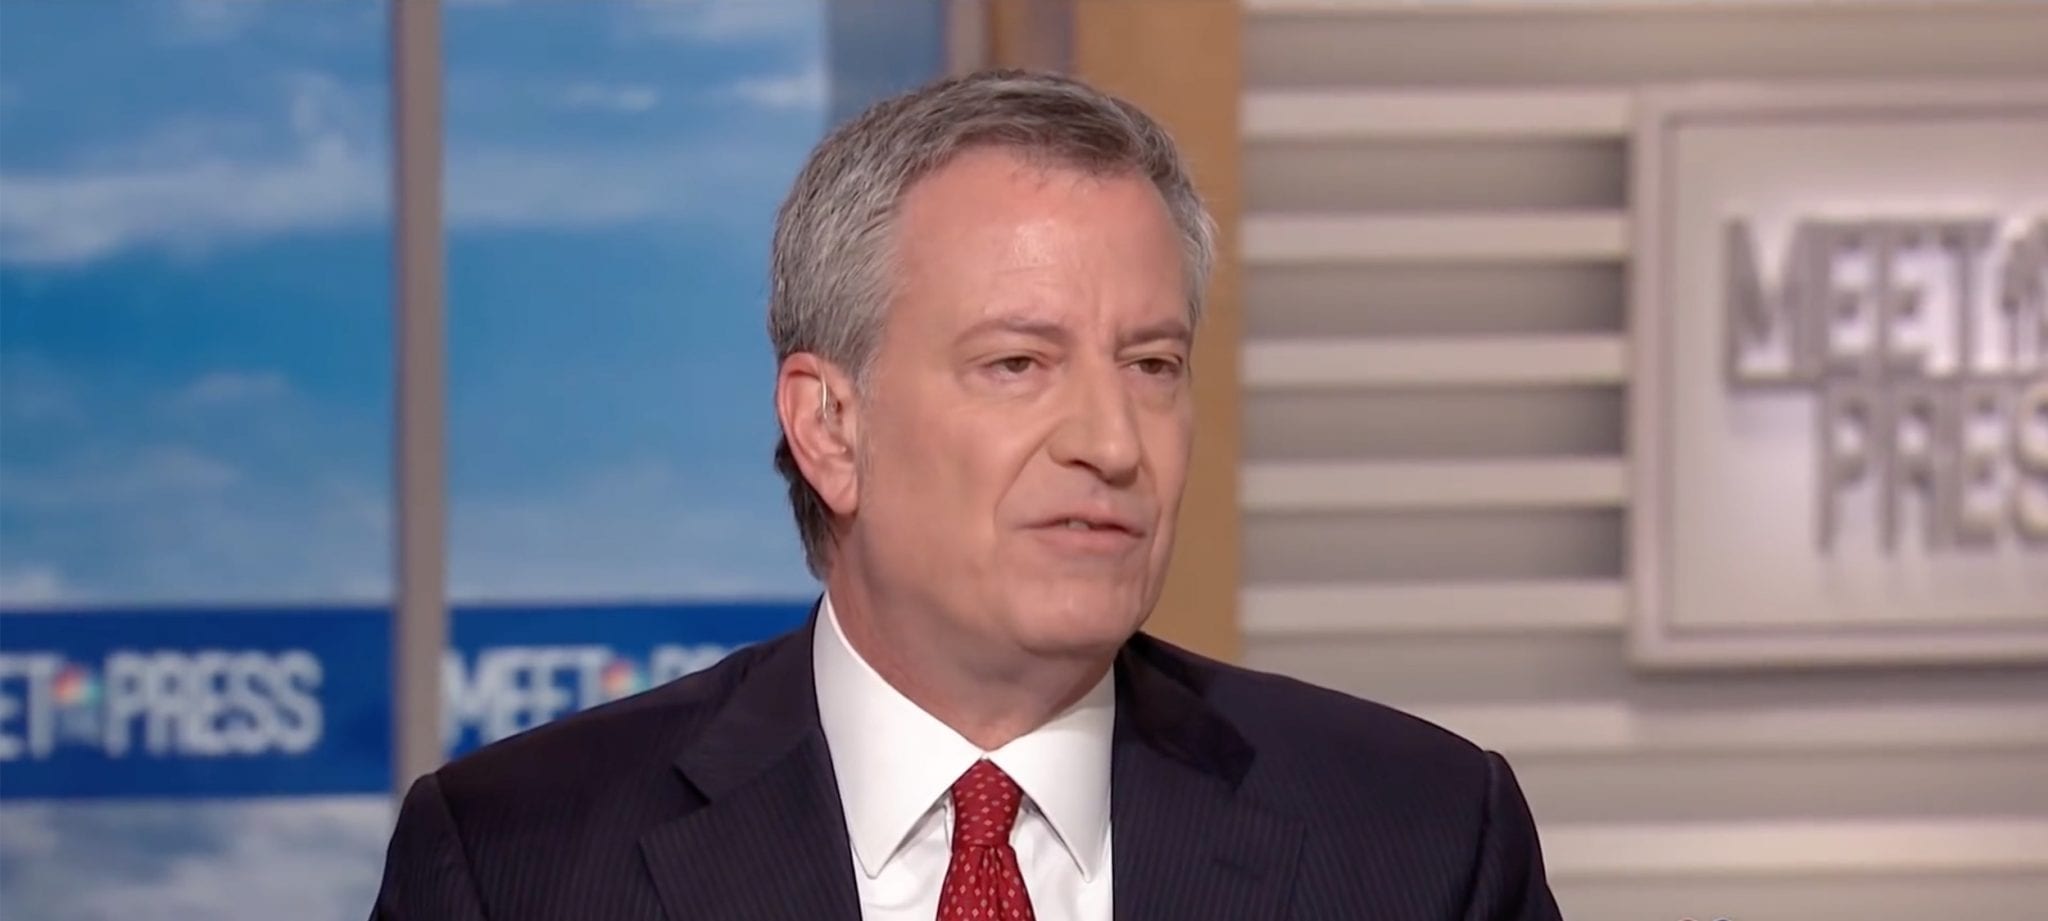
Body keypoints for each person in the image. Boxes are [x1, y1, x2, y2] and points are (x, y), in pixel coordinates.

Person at [371, 69, 1561, 921]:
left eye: (1151, 366)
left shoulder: (1419, 841)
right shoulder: (519, 864)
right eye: (1017, 365)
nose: (1111, 442)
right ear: (829, 426)